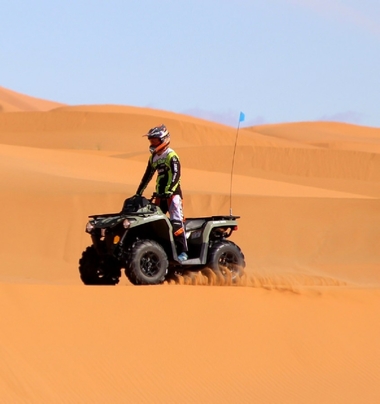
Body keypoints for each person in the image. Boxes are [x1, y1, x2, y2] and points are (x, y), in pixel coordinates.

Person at [135, 124, 188, 262]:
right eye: (151, 141)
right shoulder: (153, 157)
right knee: (154, 223)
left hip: (173, 195)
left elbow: (176, 174)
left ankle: (183, 252)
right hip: (159, 195)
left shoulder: (171, 155)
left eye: (155, 140)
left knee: (176, 221)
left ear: (164, 139)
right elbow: (147, 176)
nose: (152, 143)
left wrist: (170, 190)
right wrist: (138, 193)